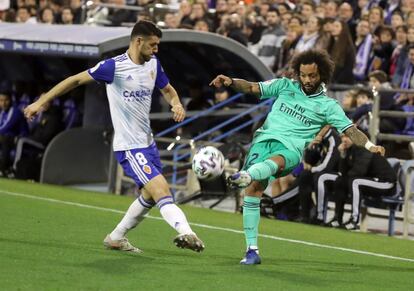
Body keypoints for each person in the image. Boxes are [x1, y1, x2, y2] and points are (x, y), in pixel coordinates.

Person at [24, 20, 204, 254]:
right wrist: (41, 101)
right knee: (162, 189)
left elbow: (168, 90)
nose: (156, 49)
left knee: (149, 196)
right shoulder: (113, 67)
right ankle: (186, 232)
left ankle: (116, 237)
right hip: (130, 146)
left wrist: (177, 104)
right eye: (153, 44)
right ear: (138, 41)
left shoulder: (154, 64)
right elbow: (75, 80)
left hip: (147, 143)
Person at [209, 49, 385, 265]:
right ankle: (252, 251)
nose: (307, 79)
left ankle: (247, 174)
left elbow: (350, 130)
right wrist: (230, 82)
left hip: (291, 149)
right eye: (303, 75)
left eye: (312, 75)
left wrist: (369, 144)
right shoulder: (285, 85)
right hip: (264, 140)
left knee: (276, 164)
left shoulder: (329, 106)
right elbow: (253, 88)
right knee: (253, 191)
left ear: (322, 74)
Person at [330, 135, 396, 230]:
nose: (344, 140)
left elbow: (359, 171)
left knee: (355, 182)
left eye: (347, 137)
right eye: (342, 137)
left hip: (385, 182)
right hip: (370, 180)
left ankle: (355, 220)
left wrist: (346, 177)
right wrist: (342, 154)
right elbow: (343, 173)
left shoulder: (364, 148)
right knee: (340, 180)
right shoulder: (350, 149)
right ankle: (337, 218)